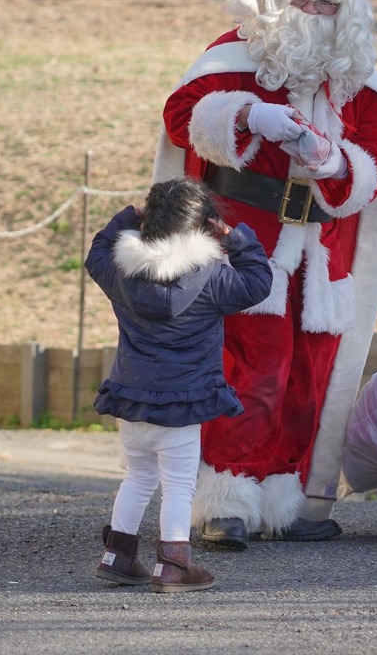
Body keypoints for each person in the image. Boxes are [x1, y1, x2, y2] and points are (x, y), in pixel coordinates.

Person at [156, 0, 377, 549]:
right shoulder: (233, 57)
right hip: (245, 242)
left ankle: (285, 498)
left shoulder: (356, 80)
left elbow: (374, 156)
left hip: (322, 251)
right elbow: (182, 117)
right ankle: (226, 499)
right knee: (251, 369)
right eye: (307, 1)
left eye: (330, 5)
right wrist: (245, 114)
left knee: (307, 374)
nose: (318, 15)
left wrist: (334, 163)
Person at [86, 178, 273, 592]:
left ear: (149, 223)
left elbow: (97, 251)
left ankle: (117, 556)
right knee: (179, 483)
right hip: (183, 403)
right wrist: (237, 238)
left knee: (137, 477)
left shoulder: (120, 272)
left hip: (132, 399)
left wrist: (126, 216)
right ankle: (173, 563)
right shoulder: (213, 279)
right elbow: (259, 282)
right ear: (203, 226)